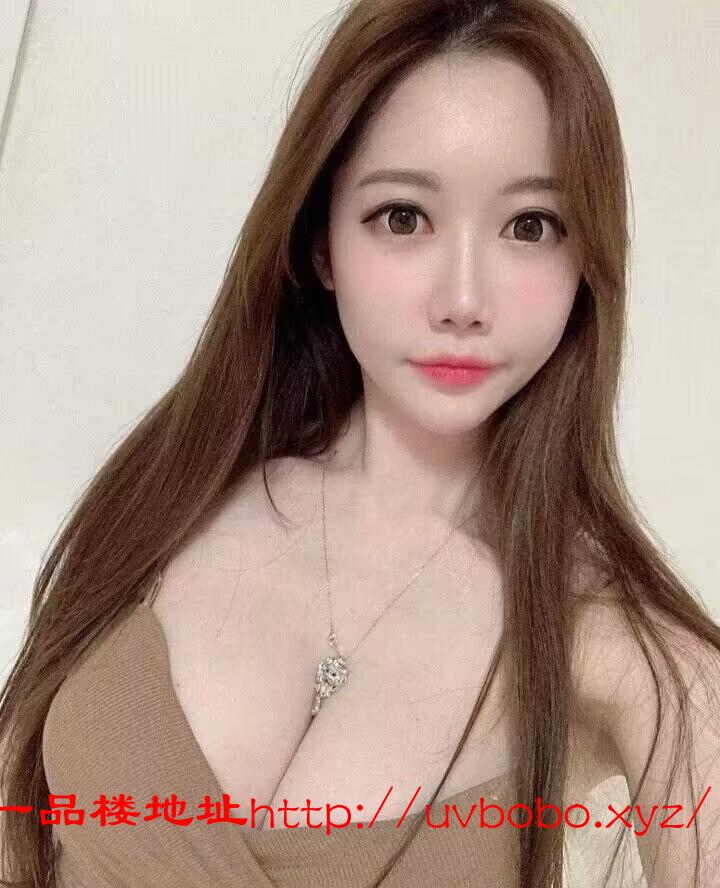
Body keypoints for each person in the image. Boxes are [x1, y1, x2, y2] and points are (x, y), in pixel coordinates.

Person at [1, 0, 718, 886]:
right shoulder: (175, 490)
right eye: (403, 217)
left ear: (586, 264)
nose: (463, 300)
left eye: (530, 226)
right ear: (322, 244)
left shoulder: (617, 646)